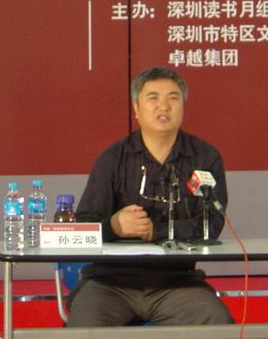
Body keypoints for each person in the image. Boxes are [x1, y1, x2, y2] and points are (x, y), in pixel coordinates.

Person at [68, 66, 233, 327]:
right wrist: (113, 226)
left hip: (177, 283)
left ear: (183, 106)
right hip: (111, 283)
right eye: (153, 97)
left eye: (173, 98)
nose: (163, 106)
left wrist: (156, 231)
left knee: (216, 321)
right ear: (136, 108)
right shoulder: (113, 159)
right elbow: (83, 226)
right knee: (83, 327)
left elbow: (212, 224)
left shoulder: (205, 157)